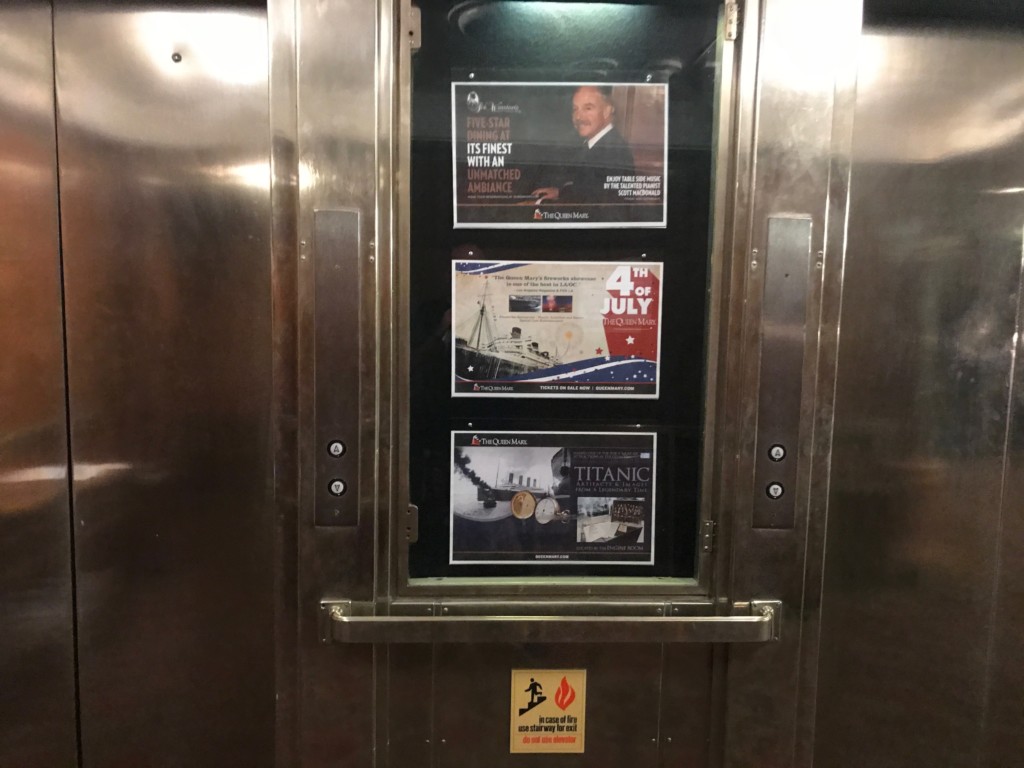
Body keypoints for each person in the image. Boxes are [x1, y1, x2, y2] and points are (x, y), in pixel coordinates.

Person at [532, 85, 636, 207]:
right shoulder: (596, 144)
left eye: (588, 108)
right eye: (575, 109)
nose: (578, 117)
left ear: (607, 111)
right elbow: (589, 190)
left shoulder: (613, 152)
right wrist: (561, 192)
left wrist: (539, 207)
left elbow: (593, 211)